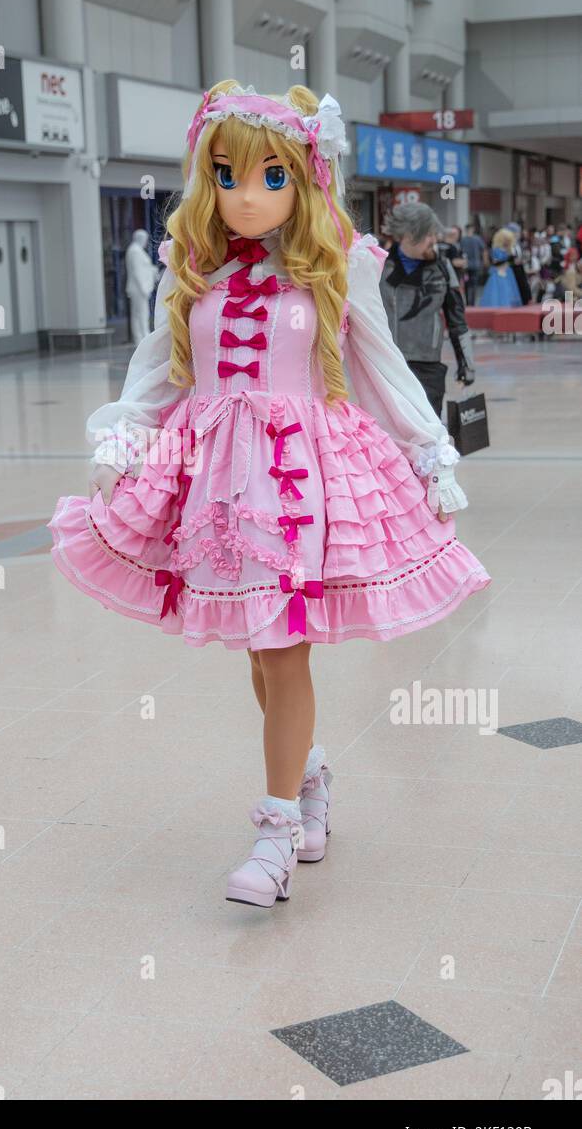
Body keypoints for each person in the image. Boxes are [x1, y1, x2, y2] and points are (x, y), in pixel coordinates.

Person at [48, 80, 489, 910]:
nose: (247, 196)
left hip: (299, 480)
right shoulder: (193, 268)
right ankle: (311, 774)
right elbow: (158, 369)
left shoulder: (335, 269)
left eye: (270, 177)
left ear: (305, 177)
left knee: (284, 644)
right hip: (214, 485)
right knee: (258, 647)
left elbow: (383, 370)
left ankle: (277, 830)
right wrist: (123, 439)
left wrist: (432, 454)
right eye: (227, 175)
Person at [381, 202, 475, 418]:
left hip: (428, 366)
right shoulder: (379, 265)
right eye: (427, 235)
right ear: (407, 235)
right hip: (387, 365)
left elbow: (457, 319)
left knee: (428, 435)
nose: (433, 240)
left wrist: (467, 364)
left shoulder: (442, 267)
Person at [124, 228, 157, 344]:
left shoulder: (137, 250)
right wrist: (144, 288)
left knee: (140, 314)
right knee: (141, 314)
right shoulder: (135, 251)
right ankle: (142, 338)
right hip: (139, 289)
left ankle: (142, 336)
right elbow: (137, 271)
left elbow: (144, 268)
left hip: (140, 288)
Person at [481, 229, 523, 306]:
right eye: (505, 239)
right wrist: (507, 259)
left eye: (508, 240)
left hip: (507, 271)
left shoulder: (509, 250)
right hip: (498, 271)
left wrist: (511, 260)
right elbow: (495, 262)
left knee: (508, 289)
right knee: (498, 290)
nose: (507, 242)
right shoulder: (496, 250)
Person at [460, 222, 486, 305]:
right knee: (473, 284)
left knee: (467, 283)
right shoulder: (477, 239)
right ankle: (472, 302)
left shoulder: (463, 239)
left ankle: (468, 302)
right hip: (474, 265)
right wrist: (485, 261)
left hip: (466, 265)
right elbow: (484, 250)